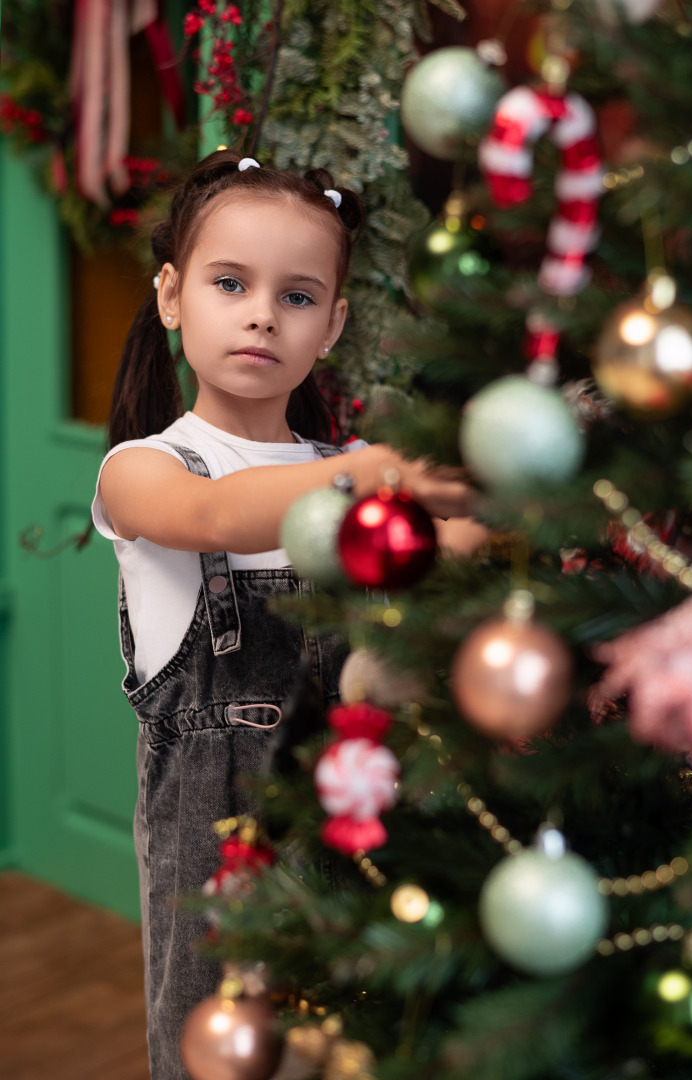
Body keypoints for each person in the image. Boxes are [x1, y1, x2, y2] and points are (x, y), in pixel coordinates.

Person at [92, 148, 478, 1080]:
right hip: (221, 838)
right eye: (232, 283)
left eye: (298, 297)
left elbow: (450, 556)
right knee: (223, 1050)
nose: (264, 312)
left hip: (361, 814)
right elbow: (215, 518)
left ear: (333, 324)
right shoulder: (146, 470)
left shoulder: (346, 465)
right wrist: (382, 471)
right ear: (173, 296)